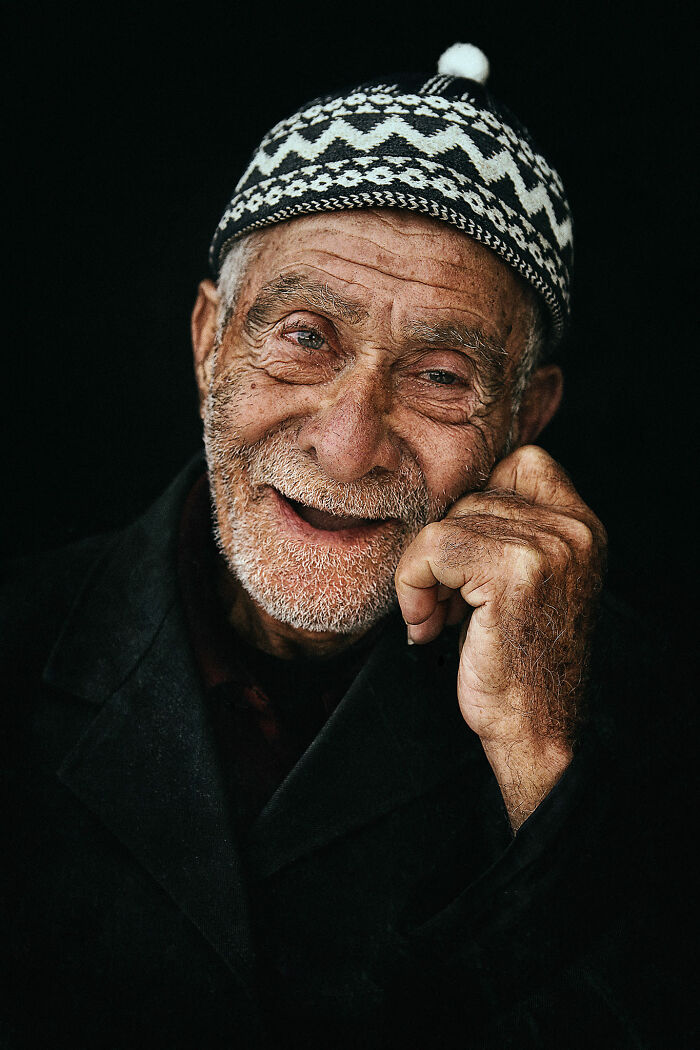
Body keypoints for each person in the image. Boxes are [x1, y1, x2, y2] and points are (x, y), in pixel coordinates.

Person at [1, 43, 694, 1049]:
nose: (349, 440)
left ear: (523, 415)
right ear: (209, 343)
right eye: (305, 335)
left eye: (442, 376)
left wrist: (539, 759)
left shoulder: (650, 703)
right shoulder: (20, 636)